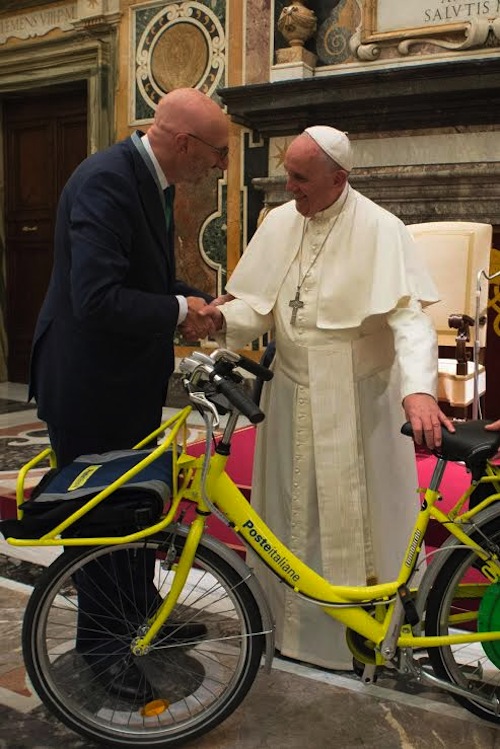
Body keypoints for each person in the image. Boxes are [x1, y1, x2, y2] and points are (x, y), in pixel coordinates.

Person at [198, 126, 454, 671]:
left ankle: (356, 640)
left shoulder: (383, 230)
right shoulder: (281, 224)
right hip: (289, 395)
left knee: (355, 527)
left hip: (359, 402)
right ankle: (281, 629)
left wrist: (417, 392)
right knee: (286, 518)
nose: (290, 189)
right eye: (288, 175)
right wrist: (223, 317)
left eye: (301, 179)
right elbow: (259, 307)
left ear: (339, 178)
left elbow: (411, 320)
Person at [29, 87, 227, 699]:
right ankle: (103, 650)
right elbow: (96, 298)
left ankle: (139, 614)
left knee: (139, 505)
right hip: (90, 384)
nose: (220, 168)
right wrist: (177, 308)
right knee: (104, 520)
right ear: (186, 144)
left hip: (123, 379)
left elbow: (139, 275)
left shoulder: (148, 178)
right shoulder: (106, 181)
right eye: (218, 154)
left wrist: (190, 298)